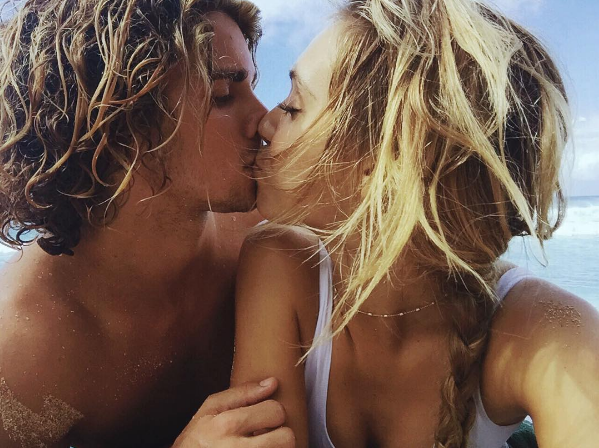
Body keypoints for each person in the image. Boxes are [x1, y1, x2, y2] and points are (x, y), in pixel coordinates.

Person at [231, 0, 599, 447]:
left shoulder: (545, 332)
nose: (265, 123)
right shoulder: (279, 264)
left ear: (388, 166)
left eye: (293, 107)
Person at [0, 0, 294, 446]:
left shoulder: (268, 235)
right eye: (222, 94)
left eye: (251, 85)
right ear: (115, 123)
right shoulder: (27, 346)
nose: (266, 118)